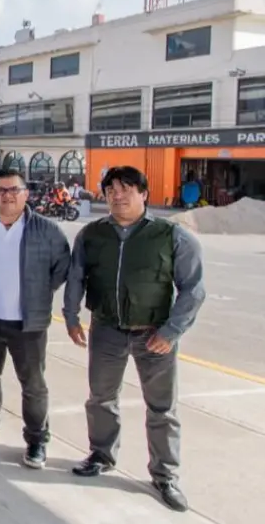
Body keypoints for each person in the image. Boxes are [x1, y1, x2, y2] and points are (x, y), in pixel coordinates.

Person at [64, 166, 206, 512]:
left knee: (162, 409)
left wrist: (171, 331)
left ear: (144, 193)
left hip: (154, 335)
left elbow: (193, 289)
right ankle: (101, 454)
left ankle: (165, 475)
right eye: (111, 189)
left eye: (127, 189)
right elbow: (76, 278)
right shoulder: (92, 234)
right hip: (107, 331)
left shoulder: (172, 235)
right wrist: (71, 316)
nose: (118, 195)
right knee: (101, 398)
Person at [0, 169, 71, 469]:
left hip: (28, 325)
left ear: (26, 194)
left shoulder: (46, 230)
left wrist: (37, 293)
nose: (7, 195)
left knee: (33, 384)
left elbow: (60, 268)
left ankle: (36, 440)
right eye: (0, 190)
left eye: (13, 189)